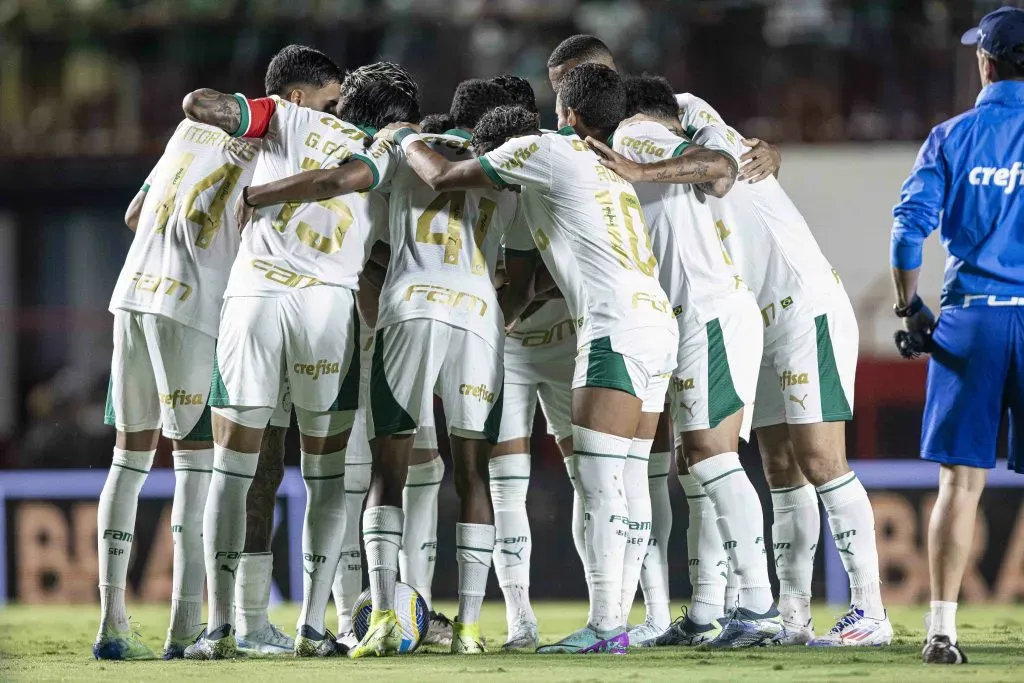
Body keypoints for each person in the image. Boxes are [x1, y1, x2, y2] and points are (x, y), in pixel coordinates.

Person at [388, 62, 679, 655]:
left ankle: (604, 627)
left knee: (599, 485)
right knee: (627, 481)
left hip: (613, 328)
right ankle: (617, 624)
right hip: (656, 322)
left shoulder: (540, 151)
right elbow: (527, 281)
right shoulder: (604, 167)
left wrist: (404, 140)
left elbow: (443, 175)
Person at [595, 71, 890, 650]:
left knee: (820, 459)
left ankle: (871, 608)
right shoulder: (689, 145)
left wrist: (648, 162)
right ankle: (794, 615)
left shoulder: (676, 122)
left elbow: (720, 156)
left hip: (804, 304)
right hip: (754, 314)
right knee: (781, 467)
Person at [241, 78, 519, 656]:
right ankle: (468, 629)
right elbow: (520, 265)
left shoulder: (401, 149)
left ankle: (384, 616)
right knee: (472, 476)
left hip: (410, 308)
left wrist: (259, 196)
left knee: (383, 474)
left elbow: (346, 195)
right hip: (479, 320)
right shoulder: (506, 168)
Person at [178, 51, 412, 660]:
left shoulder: (281, 114)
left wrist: (243, 129)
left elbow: (201, 105)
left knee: (232, 470)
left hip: (254, 298)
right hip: (326, 310)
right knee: (326, 474)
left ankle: (218, 627)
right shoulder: (382, 149)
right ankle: (313, 625)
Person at [94, 46, 296, 659]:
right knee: (193, 462)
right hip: (189, 307)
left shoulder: (189, 131)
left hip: (132, 295)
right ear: (291, 102)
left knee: (128, 458)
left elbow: (134, 213)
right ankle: (185, 627)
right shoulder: (273, 149)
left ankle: (111, 623)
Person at [601, 73, 782, 648]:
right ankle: (707, 614)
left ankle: (758, 607)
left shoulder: (636, 132)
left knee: (709, 455)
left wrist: (638, 168)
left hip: (708, 314)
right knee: (699, 462)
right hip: (700, 314)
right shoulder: (644, 136)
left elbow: (720, 169)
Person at [892, 6, 1024, 665]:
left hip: (972, 317)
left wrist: (908, 305)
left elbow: (906, 231)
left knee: (960, 483)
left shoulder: (952, 136)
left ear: (986, 62)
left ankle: (942, 629)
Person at [327, 60, 454, 652]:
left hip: (368, 336)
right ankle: (387, 613)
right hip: (384, 333)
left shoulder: (356, 160)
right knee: (405, 471)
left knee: (374, 475)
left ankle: (392, 612)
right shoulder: (409, 158)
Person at [483, 73, 576, 651]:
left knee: (594, 480)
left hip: (564, 346)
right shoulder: (483, 186)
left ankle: (614, 612)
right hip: (510, 353)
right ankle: (520, 620)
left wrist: (533, 285)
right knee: (504, 488)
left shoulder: (564, 171)